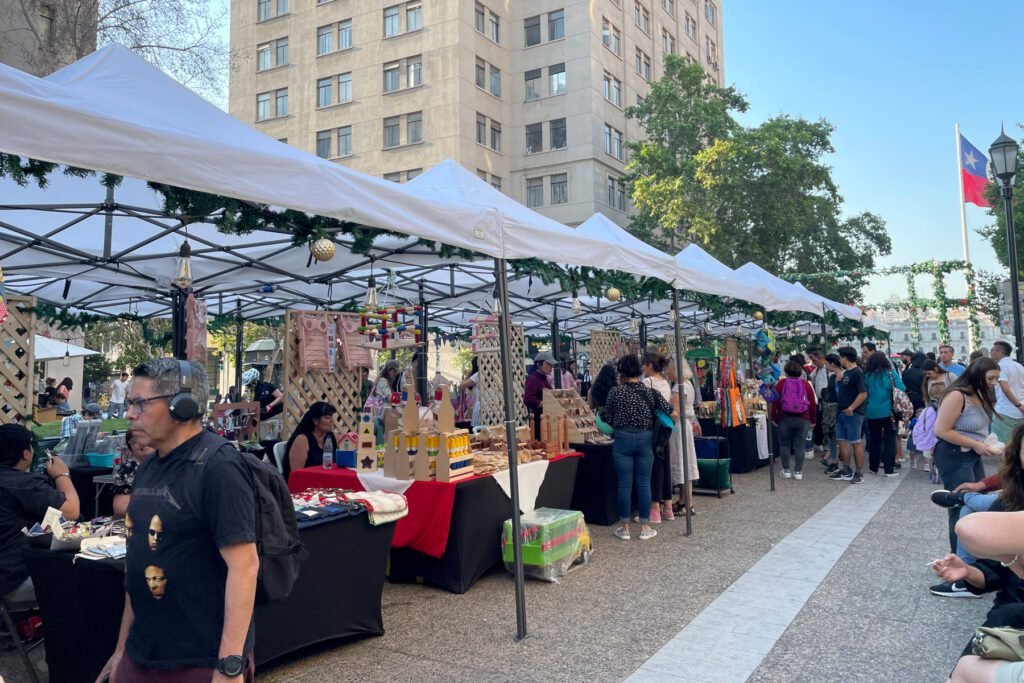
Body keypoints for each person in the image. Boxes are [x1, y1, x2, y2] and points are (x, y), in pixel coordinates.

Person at [99, 358, 258, 682]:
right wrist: (121, 650)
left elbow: (245, 567)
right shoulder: (147, 467)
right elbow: (139, 566)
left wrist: (229, 666)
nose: (130, 414)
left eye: (140, 403)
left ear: (181, 406)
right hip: (142, 655)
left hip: (198, 661)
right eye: (130, 404)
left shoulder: (218, 467)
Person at [0, 423, 80, 602]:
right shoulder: (24, 484)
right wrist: (62, 475)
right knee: (92, 580)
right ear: (25, 453)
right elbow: (71, 512)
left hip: (7, 577)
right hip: (13, 580)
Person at [932, 356, 1000, 555]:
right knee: (961, 506)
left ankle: (973, 557)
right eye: (991, 378)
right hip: (953, 454)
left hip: (971, 453)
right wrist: (977, 444)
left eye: (996, 379)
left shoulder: (981, 394)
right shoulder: (957, 395)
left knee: (976, 502)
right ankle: (960, 562)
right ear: (977, 375)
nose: (994, 383)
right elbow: (941, 430)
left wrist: (983, 444)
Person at [604, 354, 674, 542]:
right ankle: (645, 527)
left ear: (621, 372)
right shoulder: (650, 392)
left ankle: (625, 528)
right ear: (640, 370)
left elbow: (607, 419)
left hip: (622, 440)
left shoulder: (615, 392)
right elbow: (670, 412)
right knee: (644, 483)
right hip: (645, 440)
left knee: (624, 485)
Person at [642, 352, 674, 522]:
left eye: (644, 365)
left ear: (649, 366)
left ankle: (654, 509)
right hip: (665, 427)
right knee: (665, 464)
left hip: (652, 428)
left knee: (653, 467)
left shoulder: (647, 383)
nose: (642, 368)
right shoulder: (666, 383)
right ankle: (668, 507)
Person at [771, 360, 817, 480]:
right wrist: (813, 420)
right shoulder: (806, 384)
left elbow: (775, 402)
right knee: (800, 445)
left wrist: (773, 417)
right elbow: (812, 404)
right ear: (800, 372)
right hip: (803, 419)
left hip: (784, 418)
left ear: (786, 372)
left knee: (784, 444)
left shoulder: (781, 383)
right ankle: (798, 472)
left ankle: (786, 470)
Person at [828, 347, 868, 484]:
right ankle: (846, 469)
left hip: (853, 413)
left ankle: (859, 471)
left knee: (855, 442)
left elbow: (863, 393)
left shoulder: (857, 373)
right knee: (841, 441)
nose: (839, 360)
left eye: (840, 357)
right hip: (841, 412)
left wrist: (852, 407)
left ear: (846, 358)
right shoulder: (846, 373)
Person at [863, 351, 906, 476]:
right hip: (889, 413)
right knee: (889, 440)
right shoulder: (890, 374)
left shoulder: (867, 376)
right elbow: (902, 388)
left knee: (874, 440)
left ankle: (873, 468)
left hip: (871, 412)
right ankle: (889, 469)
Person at [668, 358, 700, 516]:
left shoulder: (678, 388)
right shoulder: (689, 384)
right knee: (686, 464)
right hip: (685, 426)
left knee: (682, 463)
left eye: (669, 370)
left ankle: (686, 502)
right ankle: (684, 500)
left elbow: (674, 412)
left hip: (679, 428)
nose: (668, 373)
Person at [283, 402, 338, 480]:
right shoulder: (302, 440)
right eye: (327, 418)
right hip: (307, 485)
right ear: (315, 421)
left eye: (331, 417)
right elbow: (296, 475)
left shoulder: (331, 436)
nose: (332, 421)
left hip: (328, 481)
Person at [112, 429, 156, 517]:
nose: (140, 443)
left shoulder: (174, 464)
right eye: (134, 441)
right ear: (130, 449)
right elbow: (120, 508)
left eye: (143, 437)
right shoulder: (128, 470)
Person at [989, 341, 1024, 445]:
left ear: (999, 352)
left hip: (1005, 412)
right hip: (1020, 411)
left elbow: (1005, 388)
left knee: (1001, 446)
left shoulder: (1000, 366)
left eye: (992, 350)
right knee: (1018, 446)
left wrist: (1018, 404)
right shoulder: (1019, 366)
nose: (990, 353)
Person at [524, 351, 557, 439]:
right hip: (538, 421)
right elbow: (528, 399)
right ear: (539, 364)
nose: (551, 367)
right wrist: (543, 403)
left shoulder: (544, 379)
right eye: (548, 364)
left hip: (547, 419)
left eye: (552, 365)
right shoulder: (533, 379)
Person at [807, 348, 830, 463]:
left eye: (816, 360)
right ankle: (822, 444)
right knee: (820, 421)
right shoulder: (817, 370)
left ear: (822, 359)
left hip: (827, 399)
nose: (814, 363)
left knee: (826, 421)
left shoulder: (828, 369)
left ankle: (827, 446)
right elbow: (810, 378)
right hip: (819, 399)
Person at [820, 354, 842, 472]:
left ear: (832, 363)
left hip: (836, 410)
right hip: (831, 410)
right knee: (832, 437)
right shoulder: (834, 377)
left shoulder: (840, 376)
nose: (826, 366)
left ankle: (835, 461)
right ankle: (834, 460)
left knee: (835, 437)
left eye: (827, 364)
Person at [459, 357, 481, 428]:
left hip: (479, 406)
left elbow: (461, 386)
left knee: (476, 430)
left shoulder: (477, 375)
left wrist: (468, 375)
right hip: (485, 406)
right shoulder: (484, 374)